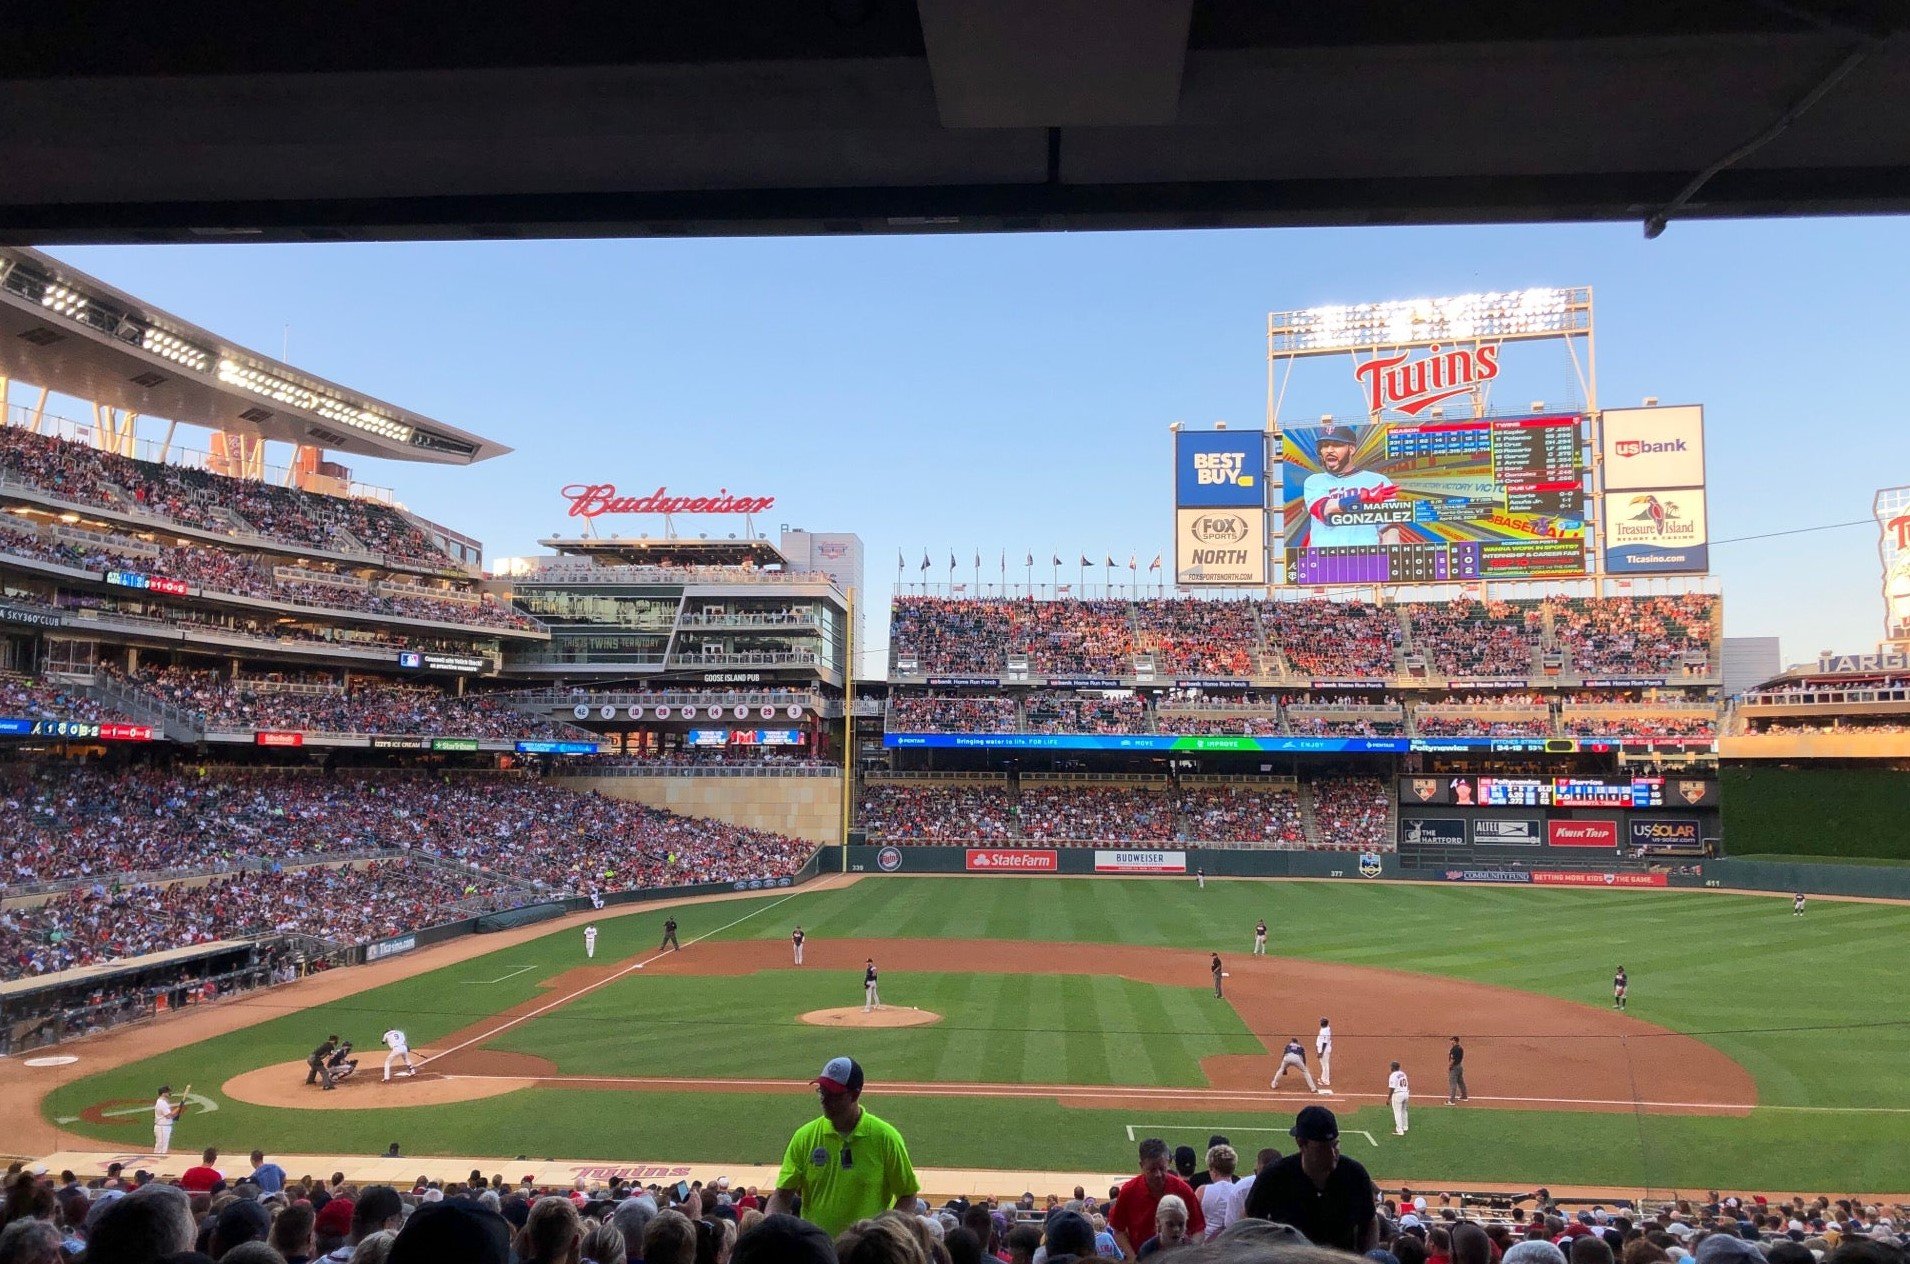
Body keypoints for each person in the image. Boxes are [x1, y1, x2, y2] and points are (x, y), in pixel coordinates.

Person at [767, 1056, 918, 1235]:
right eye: (822, 1091)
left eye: (833, 1094)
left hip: (866, 1252)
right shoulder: (804, 1137)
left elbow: (908, 1195)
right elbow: (782, 1196)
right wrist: (771, 1229)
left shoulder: (886, 1138)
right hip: (818, 1251)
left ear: (855, 1094)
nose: (824, 1099)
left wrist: (886, 1233)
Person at [1243, 1106, 1377, 1252]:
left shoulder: (1355, 1174)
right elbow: (1248, 1222)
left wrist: (1368, 1256)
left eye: (1336, 1145)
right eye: (1323, 1148)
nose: (1333, 1154)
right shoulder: (1274, 1177)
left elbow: (1369, 1221)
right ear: (1301, 1144)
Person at [1299, 425, 1408, 549]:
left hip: (1366, 557)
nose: (1329, 450)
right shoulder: (1315, 481)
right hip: (1325, 558)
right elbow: (1323, 509)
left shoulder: (1378, 481)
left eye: (1337, 444)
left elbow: (1389, 529)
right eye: (1325, 445)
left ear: (1351, 449)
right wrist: (1361, 497)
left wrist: (1387, 560)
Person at [1109, 1139, 1205, 1258]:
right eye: (1152, 1169)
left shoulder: (1183, 1190)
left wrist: (1188, 1255)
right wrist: (1134, 1259)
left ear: (1168, 1162)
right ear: (1141, 1166)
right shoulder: (1129, 1191)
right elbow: (1118, 1230)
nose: (1158, 1174)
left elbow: (1198, 1230)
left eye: (1162, 1168)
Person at [152, 1084, 183, 1156]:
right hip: (162, 1127)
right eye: (167, 1092)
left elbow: (170, 1115)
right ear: (163, 1093)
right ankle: (157, 1161)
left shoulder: (163, 1102)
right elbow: (169, 1115)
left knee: (163, 1146)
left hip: (164, 1127)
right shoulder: (161, 1103)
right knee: (161, 1147)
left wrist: (176, 1114)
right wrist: (178, 1108)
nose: (169, 1093)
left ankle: (159, 1160)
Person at [1388, 1060, 1411, 1135]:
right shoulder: (1403, 1074)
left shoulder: (1393, 1075)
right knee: (1404, 1110)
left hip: (1398, 1095)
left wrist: (1389, 1098)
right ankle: (1405, 1126)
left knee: (1397, 1112)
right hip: (1406, 1093)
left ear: (1393, 1067)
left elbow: (1392, 1087)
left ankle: (1399, 1130)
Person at [1447, 1036, 1468, 1104]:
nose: (1451, 1042)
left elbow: (1453, 1059)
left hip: (1454, 1067)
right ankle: (1464, 1096)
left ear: (1455, 1041)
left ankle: (1451, 1100)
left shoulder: (1454, 1049)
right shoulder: (1460, 1048)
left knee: (1453, 1084)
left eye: (1452, 1040)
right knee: (1461, 1082)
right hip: (1459, 1066)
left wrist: (1450, 1067)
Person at [1316, 1018, 1333, 1088]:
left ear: (1322, 1023)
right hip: (1325, 1049)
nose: (1320, 1023)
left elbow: (1325, 1042)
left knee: (1325, 1065)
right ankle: (1324, 1078)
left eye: (1321, 1022)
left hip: (1324, 1050)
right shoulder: (1326, 1028)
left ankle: (1325, 1081)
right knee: (1325, 1064)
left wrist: (1321, 1052)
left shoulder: (1325, 1031)